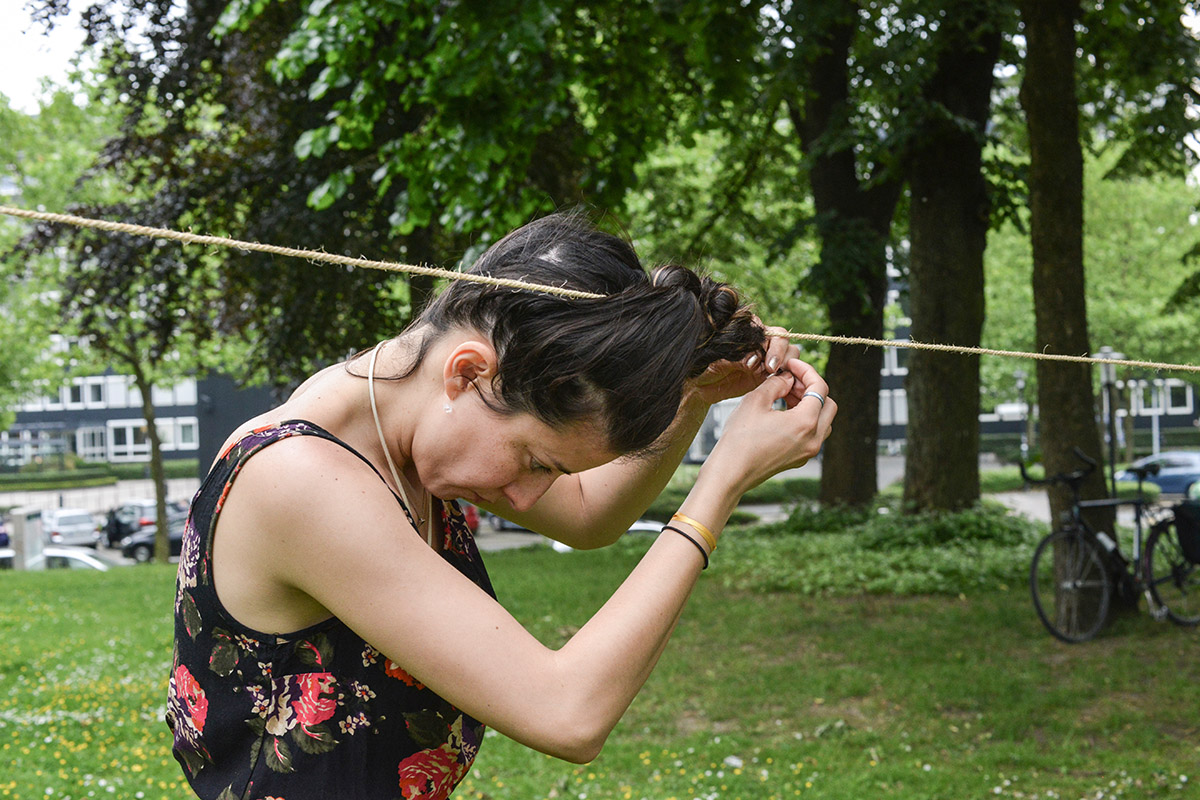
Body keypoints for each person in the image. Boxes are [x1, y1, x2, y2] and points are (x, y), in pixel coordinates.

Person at [166, 211, 836, 800]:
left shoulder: (391, 431)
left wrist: (695, 396)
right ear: (468, 372)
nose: (526, 497)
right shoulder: (301, 480)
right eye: (536, 461)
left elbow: (587, 515)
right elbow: (566, 713)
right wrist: (723, 477)